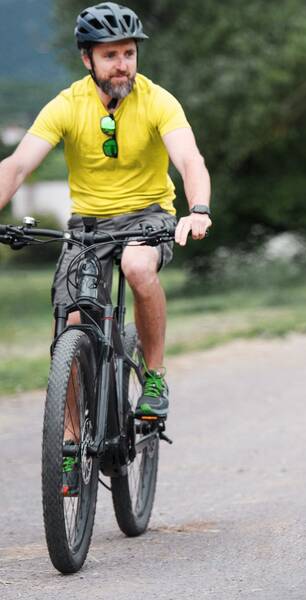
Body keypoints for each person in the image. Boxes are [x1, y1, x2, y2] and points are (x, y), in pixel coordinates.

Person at [0, 2, 211, 423]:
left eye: (128, 54)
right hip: (88, 226)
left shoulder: (157, 101)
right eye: (110, 55)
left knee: (137, 266)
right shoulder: (66, 104)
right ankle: (70, 440)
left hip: (148, 215)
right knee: (72, 323)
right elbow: (18, 165)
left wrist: (199, 209)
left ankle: (154, 376)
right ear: (87, 58)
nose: (122, 66)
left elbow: (190, 160)